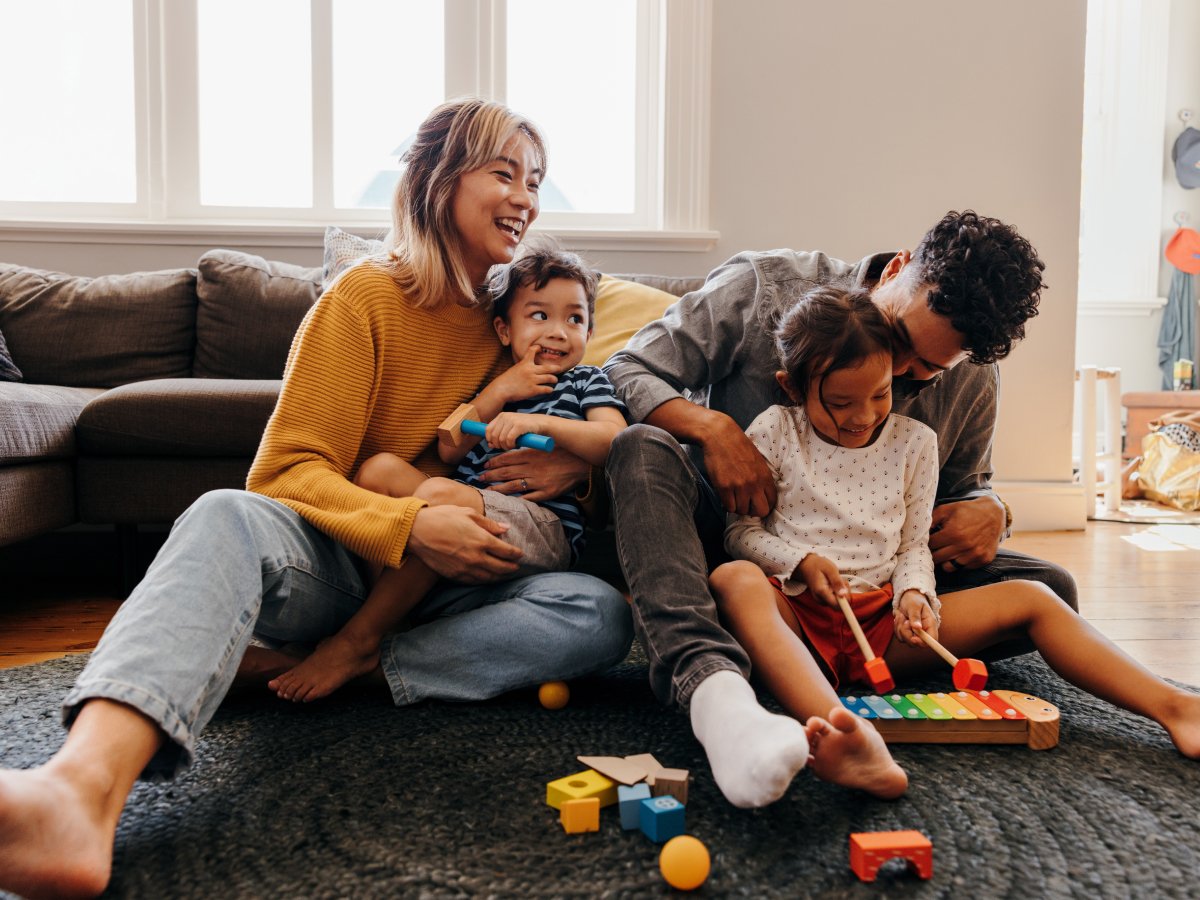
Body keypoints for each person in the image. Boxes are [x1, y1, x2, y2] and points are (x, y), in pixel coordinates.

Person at [0, 98, 633, 899]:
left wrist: (575, 474)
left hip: (462, 584)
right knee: (222, 513)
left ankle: (331, 666)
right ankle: (77, 792)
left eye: (536, 181)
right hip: (345, 563)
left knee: (597, 614)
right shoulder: (364, 300)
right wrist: (410, 525)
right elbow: (287, 471)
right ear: (438, 179)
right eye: (504, 172)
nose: (525, 196)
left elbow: (586, 432)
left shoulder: (523, 321)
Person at [603, 210, 1075, 808]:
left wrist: (993, 509)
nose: (899, 374)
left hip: (871, 582)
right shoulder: (762, 287)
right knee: (640, 449)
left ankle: (807, 654)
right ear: (900, 268)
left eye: (926, 372)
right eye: (900, 341)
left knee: (1051, 587)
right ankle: (710, 680)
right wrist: (714, 430)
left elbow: (965, 489)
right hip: (726, 539)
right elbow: (625, 367)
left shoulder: (974, 376)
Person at [708, 284, 1200, 802]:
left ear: (894, 373)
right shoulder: (774, 430)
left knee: (1035, 595)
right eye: (839, 403)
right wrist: (802, 562)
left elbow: (913, 547)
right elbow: (742, 534)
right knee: (732, 578)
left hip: (882, 626)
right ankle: (844, 733)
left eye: (879, 394)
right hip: (796, 617)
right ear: (792, 387)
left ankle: (1176, 708)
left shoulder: (915, 443)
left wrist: (914, 594)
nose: (862, 416)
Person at [269, 247, 627, 702]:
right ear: (504, 328)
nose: (557, 332)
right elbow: (449, 444)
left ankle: (360, 639)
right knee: (379, 470)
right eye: (539, 315)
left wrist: (542, 424)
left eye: (574, 320)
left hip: (540, 526)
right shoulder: (500, 382)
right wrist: (499, 392)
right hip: (466, 512)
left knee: (440, 492)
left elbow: (614, 440)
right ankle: (391, 617)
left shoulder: (586, 381)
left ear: (590, 331)